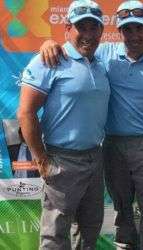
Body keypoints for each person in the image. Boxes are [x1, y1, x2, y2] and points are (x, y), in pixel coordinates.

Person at [39, 1, 143, 249]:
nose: (133, 35)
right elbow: (74, 49)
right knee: (121, 207)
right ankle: (124, 245)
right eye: (127, 29)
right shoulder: (105, 53)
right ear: (119, 31)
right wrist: (49, 44)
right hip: (111, 145)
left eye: (139, 28)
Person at [17, 0, 110, 249]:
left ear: (101, 31)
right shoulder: (49, 60)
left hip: (95, 157)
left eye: (94, 28)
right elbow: (26, 113)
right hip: (62, 160)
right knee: (55, 235)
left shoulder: (101, 63)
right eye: (82, 27)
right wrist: (40, 158)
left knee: (90, 227)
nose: (89, 34)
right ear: (68, 28)